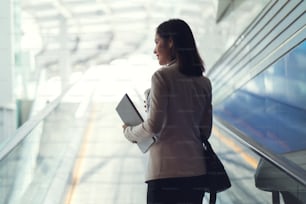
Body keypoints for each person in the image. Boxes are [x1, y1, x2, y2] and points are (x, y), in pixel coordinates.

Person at [122, 18, 212, 204]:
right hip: (196, 174)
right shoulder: (204, 82)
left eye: (157, 42)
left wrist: (130, 133)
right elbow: (205, 131)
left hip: (166, 174)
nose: (154, 50)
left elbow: (154, 125)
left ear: (170, 42)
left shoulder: (161, 77)